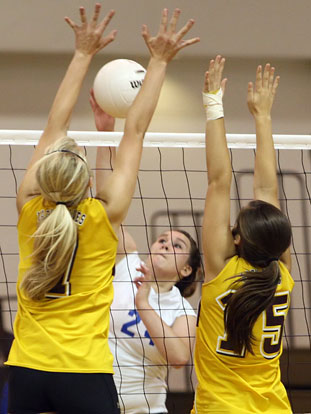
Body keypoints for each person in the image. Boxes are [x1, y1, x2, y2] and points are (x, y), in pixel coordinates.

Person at [5, 5, 199, 414]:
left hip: (26, 370)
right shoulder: (102, 216)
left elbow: (52, 129)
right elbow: (136, 131)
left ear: (44, 178)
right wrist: (159, 61)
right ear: (88, 184)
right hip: (84, 373)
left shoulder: (28, 210)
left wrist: (81, 54)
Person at [192, 56, 294, 413]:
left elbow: (219, 179)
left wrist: (212, 103)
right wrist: (263, 117)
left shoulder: (222, 270)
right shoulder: (282, 273)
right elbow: (267, 189)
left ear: (236, 239)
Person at [91, 103, 201, 413]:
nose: (166, 244)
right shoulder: (127, 261)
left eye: (177, 246)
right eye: (163, 239)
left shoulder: (181, 309)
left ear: (186, 269)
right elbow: (107, 204)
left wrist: (144, 304)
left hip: (146, 409)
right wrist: (104, 135)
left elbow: (179, 358)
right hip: (98, 401)